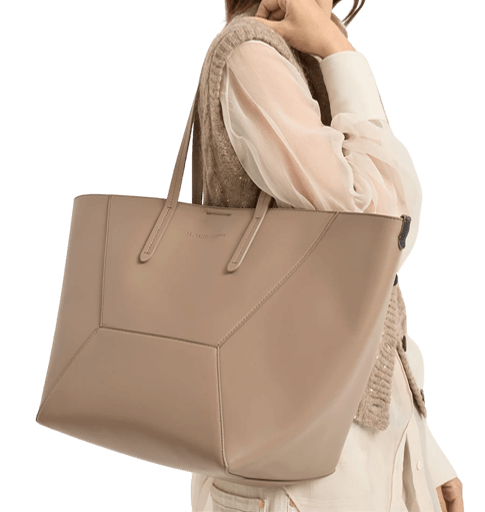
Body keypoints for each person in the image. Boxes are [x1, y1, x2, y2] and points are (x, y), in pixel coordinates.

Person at [191, 0, 464, 510]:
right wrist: (342, 54)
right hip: (301, 471)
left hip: (361, 456)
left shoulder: (303, 52)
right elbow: (378, 227)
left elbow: (371, 303)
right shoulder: (252, 54)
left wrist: (425, 453)